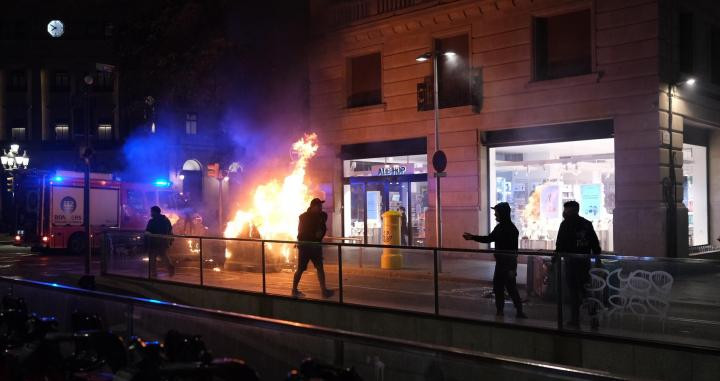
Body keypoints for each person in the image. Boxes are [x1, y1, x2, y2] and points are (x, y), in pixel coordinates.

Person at [463, 202, 527, 318]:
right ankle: (518, 311)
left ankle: (502, 311)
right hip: (507, 263)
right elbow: (513, 251)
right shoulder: (511, 228)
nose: (495, 215)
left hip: (504, 264)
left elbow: (489, 239)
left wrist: (472, 237)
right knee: (510, 288)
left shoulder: (502, 228)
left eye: (496, 212)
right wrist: (513, 267)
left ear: (502, 213)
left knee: (500, 288)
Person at [555, 200, 602, 328]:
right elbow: (595, 244)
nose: (563, 212)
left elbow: (560, 244)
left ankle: (575, 319)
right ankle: (593, 317)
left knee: (573, 292)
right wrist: (598, 259)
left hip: (571, 263)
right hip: (584, 263)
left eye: (565, 210)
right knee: (586, 291)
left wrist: (555, 260)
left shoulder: (565, 224)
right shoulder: (586, 224)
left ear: (570, 211)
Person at [292, 198, 334, 298]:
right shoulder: (304, 217)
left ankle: (324, 291)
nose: (321, 208)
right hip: (305, 247)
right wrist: (314, 235)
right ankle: (294, 289)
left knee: (320, 267)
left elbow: (323, 226)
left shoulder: (321, 216)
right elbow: (302, 233)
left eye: (321, 206)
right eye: (318, 206)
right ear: (312, 207)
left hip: (315, 246)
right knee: (301, 269)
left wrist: (319, 234)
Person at [145, 205, 175, 277]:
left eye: (151, 212)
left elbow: (148, 231)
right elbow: (169, 230)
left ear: (155, 212)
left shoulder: (152, 221)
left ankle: (153, 273)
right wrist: (169, 240)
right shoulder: (166, 220)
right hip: (163, 242)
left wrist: (148, 234)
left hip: (154, 242)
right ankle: (170, 268)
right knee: (164, 256)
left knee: (152, 258)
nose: (150, 213)